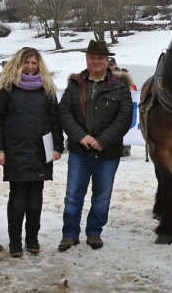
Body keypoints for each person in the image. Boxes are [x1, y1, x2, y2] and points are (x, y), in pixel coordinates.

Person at [57, 39, 133, 252]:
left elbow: (124, 117)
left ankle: (94, 232)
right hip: (80, 150)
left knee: (102, 195)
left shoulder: (120, 87)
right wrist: (81, 136)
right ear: (87, 59)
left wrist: (102, 140)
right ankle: (69, 234)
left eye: (100, 58)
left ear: (107, 61)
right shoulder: (75, 84)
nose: (96, 61)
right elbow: (64, 112)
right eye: (92, 57)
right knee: (73, 195)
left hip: (107, 152)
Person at [0, 48, 64, 257]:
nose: (30, 67)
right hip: (16, 148)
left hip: (41, 148)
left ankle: (32, 238)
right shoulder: (6, 89)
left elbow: (54, 120)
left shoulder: (47, 90)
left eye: (34, 63)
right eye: (26, 63)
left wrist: (57, 147)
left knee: (36, 195)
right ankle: (15, 242)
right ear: (18, 64)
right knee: (18, 195)